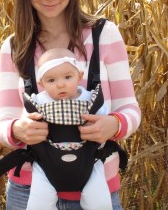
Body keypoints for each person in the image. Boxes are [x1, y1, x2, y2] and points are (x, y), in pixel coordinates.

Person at [0, 0, 141, 210]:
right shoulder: (14, 47)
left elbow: (130, 108)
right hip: (29, 192)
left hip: (95, 188)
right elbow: (4, 123)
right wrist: (18, 130)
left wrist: (115, 125)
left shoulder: (104, 36)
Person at [27, 47, 112, 210]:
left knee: (100, 203)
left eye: (67, 77)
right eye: (51, 80)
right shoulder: (37, 101)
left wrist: (106, 124)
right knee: (38, 204)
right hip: (46, 165)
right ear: (41, 84)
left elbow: (105, 122)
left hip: (89, 161)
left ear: (79, 76)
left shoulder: (91, 99)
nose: (60, 84)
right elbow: (26, 125)